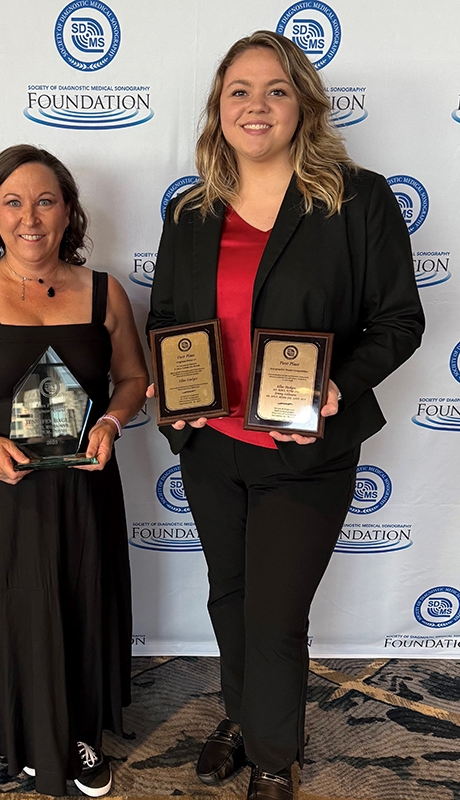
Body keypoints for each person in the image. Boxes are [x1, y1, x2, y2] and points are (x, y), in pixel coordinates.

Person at [147, 31, 424, 800]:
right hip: (212, 446)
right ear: (219, 109)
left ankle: (274, 757)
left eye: (276, 89)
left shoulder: (356, 200)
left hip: (306, 451)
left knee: (274, 614)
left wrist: (338, 384)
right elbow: (165, 317)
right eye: (239, 90)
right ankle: (242, 719)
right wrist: (173, 393)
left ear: (303, 104)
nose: (257, 105)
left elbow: (399, 321)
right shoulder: (191, 213)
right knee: (230, 597)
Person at [0, 145, 148, 797]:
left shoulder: (104, 291)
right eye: (13, 202)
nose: (30, 217)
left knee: (82, 602)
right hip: (4, 486)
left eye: (46, 201)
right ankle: (20, 731)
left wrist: (112, 422)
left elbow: (133, 378)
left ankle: (79, 734)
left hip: (85, 486)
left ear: (68, 211)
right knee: (15, 604)